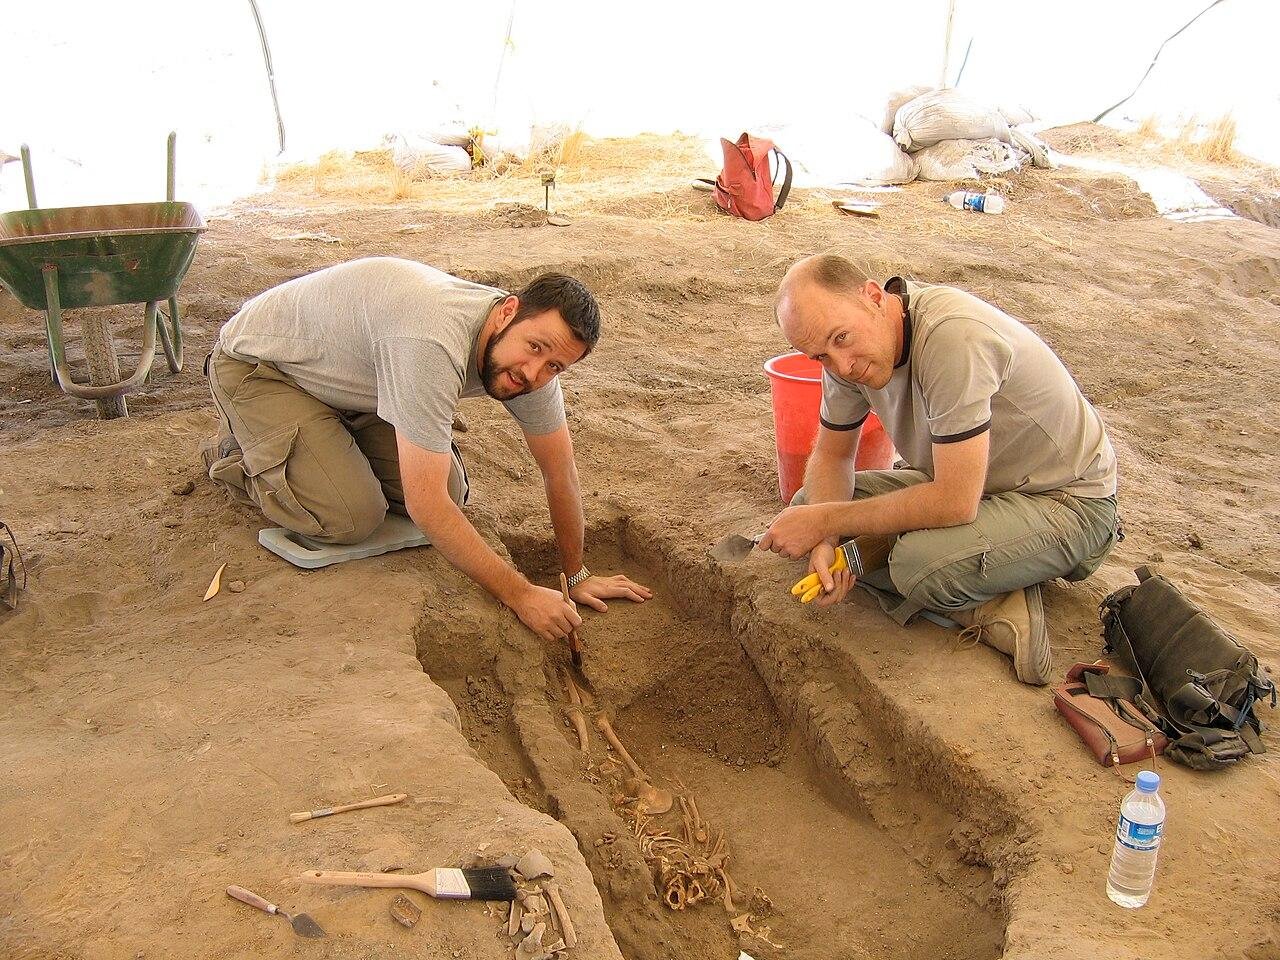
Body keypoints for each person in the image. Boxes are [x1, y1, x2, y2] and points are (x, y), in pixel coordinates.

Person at [203, 256, 651, 642]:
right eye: (534, 348)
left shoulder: (532, 364)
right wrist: (521, 594)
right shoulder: (431, 341)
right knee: (349, 515)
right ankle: (243, 454)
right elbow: (425, 506)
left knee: (452, 492)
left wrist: (575, 576)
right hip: (265, 368)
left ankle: (325, 442)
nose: (533, 371)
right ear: (507, 311)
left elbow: (560, 473)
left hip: (358, 387)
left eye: (554, 365)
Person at [760, 254, 1120, 684]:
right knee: (809, 502)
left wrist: (825, 519)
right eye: (820, 355)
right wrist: (825, 539)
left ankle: (999, 602)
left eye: (841, 339)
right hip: (976, 483)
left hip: (1067, 502)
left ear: (873, 296)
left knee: (916, 567)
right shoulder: (843, 350)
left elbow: (953, 501)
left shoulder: (952, 338)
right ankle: (978, 570)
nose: (842, 366)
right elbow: (834, 455)